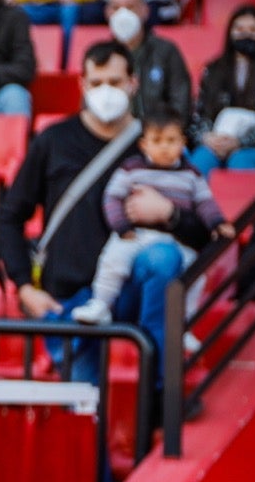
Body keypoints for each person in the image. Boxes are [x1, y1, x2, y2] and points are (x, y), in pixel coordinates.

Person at [0, 40, 216, 384]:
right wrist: (24, 287)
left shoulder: (157, 144)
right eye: (97, 83)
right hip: (69, 297)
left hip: (133, 290)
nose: (106, 91)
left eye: (114, 82)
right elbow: (10, 216)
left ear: (133, 83)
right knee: (83, 413)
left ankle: (163, 390)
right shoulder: (52, 141)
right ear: (82, 85)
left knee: (162, 257)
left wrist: (169, 213)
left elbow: (204, 233)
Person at [73, 110, 234, 327]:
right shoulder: (131, 169)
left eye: (171, 140)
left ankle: (184, 325)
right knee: (113, 259)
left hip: (177, 240)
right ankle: (101, 303)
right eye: (157, 141)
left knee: (196, 277)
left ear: (182, 142)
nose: (164, 147)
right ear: (144, 144)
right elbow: (112, 198)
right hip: (137, 234)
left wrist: (218, 223)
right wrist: (121, 226)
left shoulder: (192, 174)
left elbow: (205, 203)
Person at [188, 5, 255, 174]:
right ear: (230, 33)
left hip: (254, 146)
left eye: (253, 29)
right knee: (200, 161)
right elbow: (200, 115)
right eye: (239, 29)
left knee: (240, 161)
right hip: (214, 142)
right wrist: (208, 138)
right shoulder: (213, 69)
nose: (246, 34)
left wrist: (240, 142)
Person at [105, 0, 191, 125]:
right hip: (115, 138)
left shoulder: (166, 51)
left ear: (145, 10)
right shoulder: (101, 56)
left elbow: (181, 104)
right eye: (116, 7)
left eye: (130, 7)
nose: (122, 14)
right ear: (107, 13)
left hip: (159, 139)